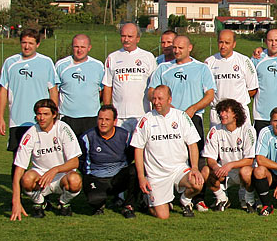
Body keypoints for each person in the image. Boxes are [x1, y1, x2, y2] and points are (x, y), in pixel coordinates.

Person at [131, 85, 205, 219]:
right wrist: (142, 177)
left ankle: (185, 200)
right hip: (156, 175)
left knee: (197, 182)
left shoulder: (181, 116)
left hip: (178, 169)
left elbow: (192, 144)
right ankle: (148, 200)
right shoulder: (146, 120)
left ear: (169, 99)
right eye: (154, 99)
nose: (156, 102)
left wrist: (194, 168)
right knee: (163, 216)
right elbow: (138, 148)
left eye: (160, 99)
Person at [10, 98, 82, 220]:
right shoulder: (31, 134)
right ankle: (40, 203)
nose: (41, 118)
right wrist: (16, 200)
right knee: (26, 179)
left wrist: (54, 170)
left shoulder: (63, 129)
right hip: (41, 178)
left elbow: (74, 162)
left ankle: (64, 202)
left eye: (46, 114)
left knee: (75, 180)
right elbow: (19, 169)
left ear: (54, 115)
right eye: (39, 114)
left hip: (61, 176)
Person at [0, 28, 59, 166]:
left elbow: (53, 90)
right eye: (24, 42)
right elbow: (3, 91)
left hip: (41, 120)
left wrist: (54, 115)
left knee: (44, 159)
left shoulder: (46, 62)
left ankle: (44, 187)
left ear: (37, 44)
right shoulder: (10, 62)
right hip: (17, 120)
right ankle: (17, 188)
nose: (27, 46)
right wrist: (1, 117)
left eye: (31, 43)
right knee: (18, 161)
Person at [148, 34, 215, 148]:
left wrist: (193, 109)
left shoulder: (202, 68)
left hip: (193, 117)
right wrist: (167, 107)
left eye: (180, 48)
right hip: (169, 117)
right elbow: (151, 92)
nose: (176, 51)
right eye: (174, 47)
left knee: (196, 155)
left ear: (190, 48)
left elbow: (210, 95)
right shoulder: (163, 68)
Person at [80, 104, 135, 218]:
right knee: (94, 200)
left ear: (114, 121)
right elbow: (82, 163)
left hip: (117, 178)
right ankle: (100, 204)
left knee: (135, 170)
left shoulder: (125, 135)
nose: (103, 123)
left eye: (107, 119)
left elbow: (130, 156)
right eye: (100, 119)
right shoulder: (87, 137)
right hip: (97, 177)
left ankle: (128, 206)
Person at [203, 98, 257, 212]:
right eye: (221, 112)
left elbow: (249, 160)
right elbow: (210, 158)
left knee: (246, 172)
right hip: (224, 171)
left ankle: (250, 201)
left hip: (241, 170)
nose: (222, 115)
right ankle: (222, 199)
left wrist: (230, 165)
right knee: (205, 171)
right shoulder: (215, 130)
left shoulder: (248, 130)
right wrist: (216, 167)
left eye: (226, 112)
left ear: (235, 114)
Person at [102, 23, 157, 130]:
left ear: (138, 39)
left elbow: (154, 87)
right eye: (123, 36)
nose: (126, 39)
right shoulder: (112, 57)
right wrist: (108, 113)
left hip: (142, 114)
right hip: (119, 116)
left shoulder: (148, 57)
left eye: (130, 37)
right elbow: (108, 86)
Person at [55, 33, 105, 140]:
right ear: (72, 47)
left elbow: (101, 91)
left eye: (83, 47)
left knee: (90, 154)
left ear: (89, 48)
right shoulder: (61, 65)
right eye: (76, 47)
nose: (79, 50)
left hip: (91, 117)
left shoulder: (98, 66)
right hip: (67, 117)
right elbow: (55, 91)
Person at [204, 30, 258, 126]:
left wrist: (235, 105)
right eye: (221, 42)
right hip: (217, 114)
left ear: (234, 44)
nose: (223, 46)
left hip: (239, 113)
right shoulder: (209, 62)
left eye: (227, 43)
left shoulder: (244, 61)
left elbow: (252, 89)